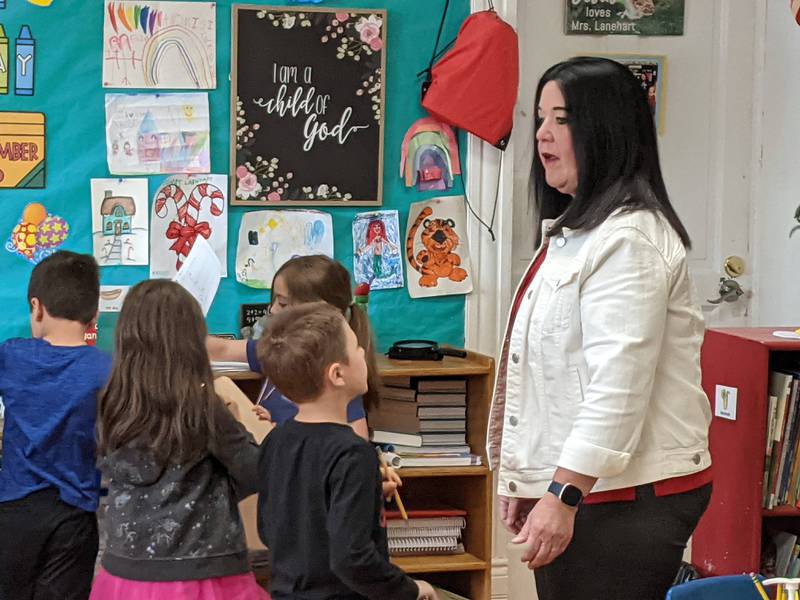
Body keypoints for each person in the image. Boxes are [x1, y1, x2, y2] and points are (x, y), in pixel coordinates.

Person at [488, 56, 712, 600]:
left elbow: (617, 386)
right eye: (539, 118)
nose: (542, 135)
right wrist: (532, 476)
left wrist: (562, 492)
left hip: (629, 491)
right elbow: (556, 377)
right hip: (595, 486)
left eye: (561, 119)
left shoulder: (629, 240)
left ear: (605, 129)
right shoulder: (580, 233)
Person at [91, 280, 268, 600]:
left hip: (126, 573)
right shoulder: (201, 405)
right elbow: (256, 471)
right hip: (201, 573)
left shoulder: (113, 403)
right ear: (191, 342)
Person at [256, 302, 437, 600]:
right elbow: (351, 557)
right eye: (355, 347)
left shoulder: (275, 441)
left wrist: (368, 496)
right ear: (337, 374)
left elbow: (271, 528)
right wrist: (410, 589)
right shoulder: (354, 454)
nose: (363, 353)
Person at [206, 255, 401, 497]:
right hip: (278, 491)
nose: (272, 310)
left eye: (283, 304)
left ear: (316, 311)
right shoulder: (280, 352)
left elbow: (351, 465)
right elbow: (221, 349)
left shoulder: (338, 385)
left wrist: (372, 482)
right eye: (274, 301)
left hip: (303, 498)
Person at [0, 251, 110, 600]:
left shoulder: (11, 355)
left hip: (14, 510)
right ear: (94, 317)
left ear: (36, 307)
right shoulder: (107, 369)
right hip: (76, 514)